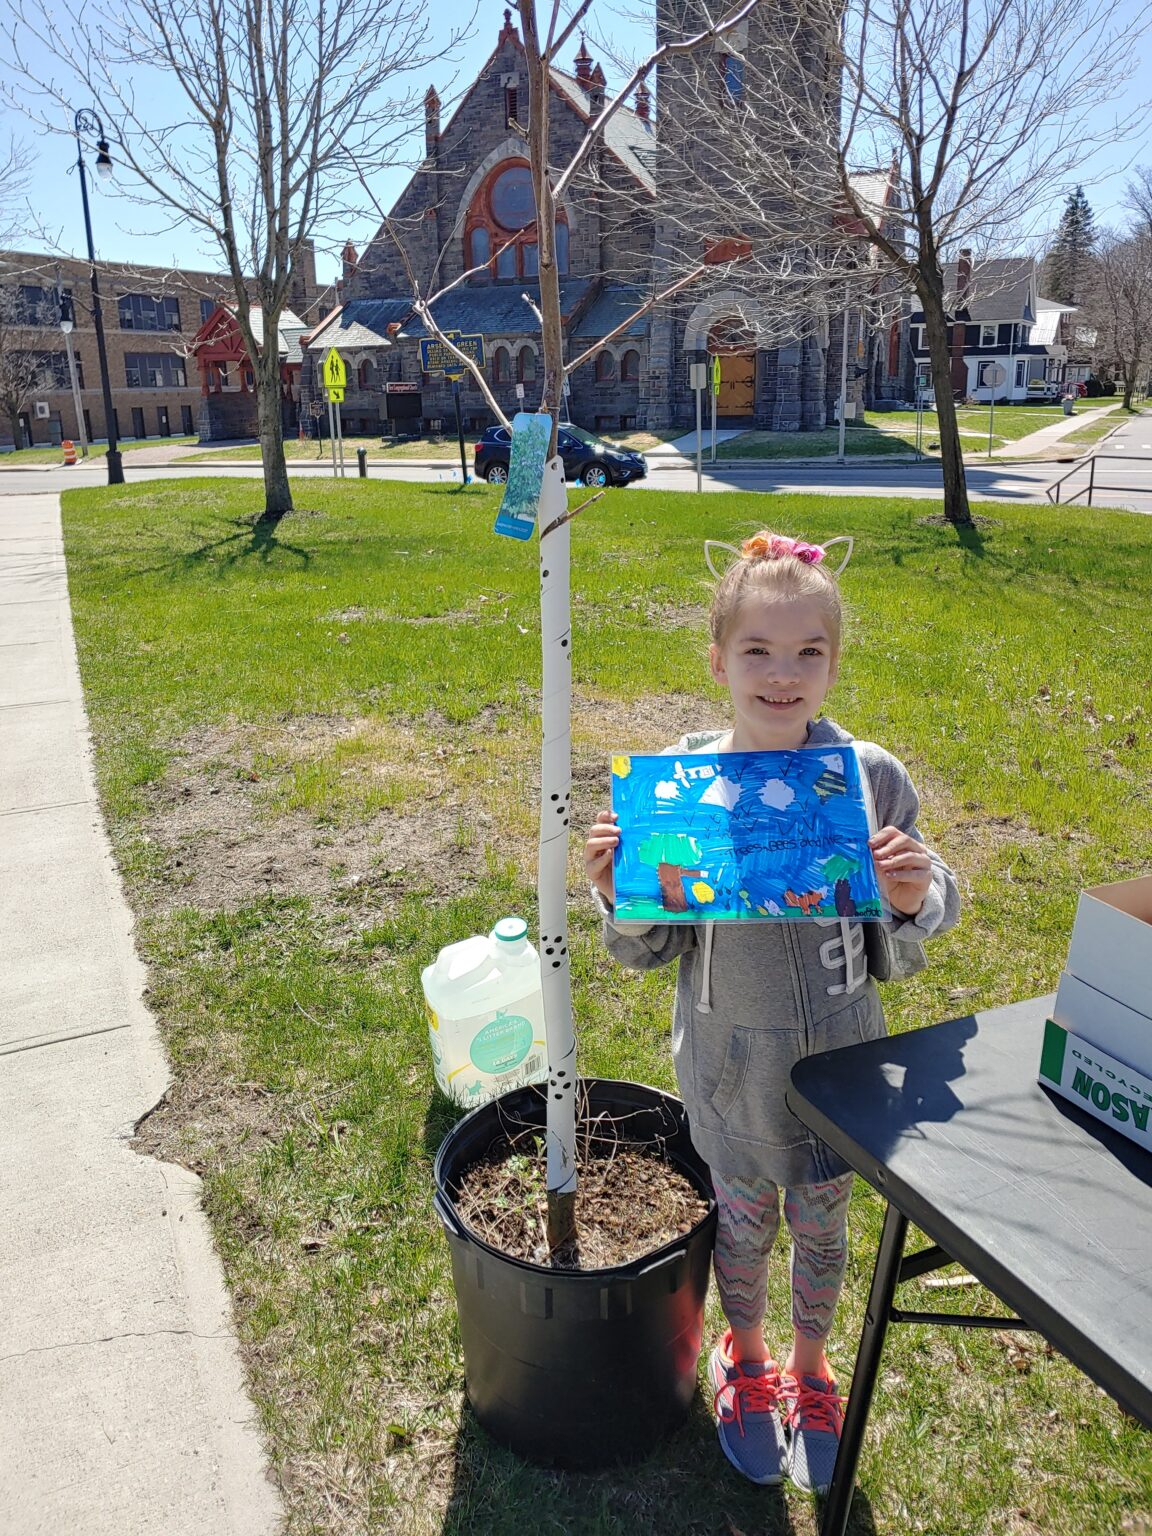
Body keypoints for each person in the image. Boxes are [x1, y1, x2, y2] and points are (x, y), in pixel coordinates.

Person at [583, 530, 960, 1495]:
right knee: (743, 1227)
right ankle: (744, 1355)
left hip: (839, 1074)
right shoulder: (682, 788)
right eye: (757, 650)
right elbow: (650, 949)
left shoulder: (869, 778)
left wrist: (914, 895)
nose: (782, 675)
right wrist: (624, 892)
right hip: (730, 1075)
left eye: (808, 653)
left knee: (825, 1231)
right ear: (717, 660)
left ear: (836, 661)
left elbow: (922, 915)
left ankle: (810, 1367)